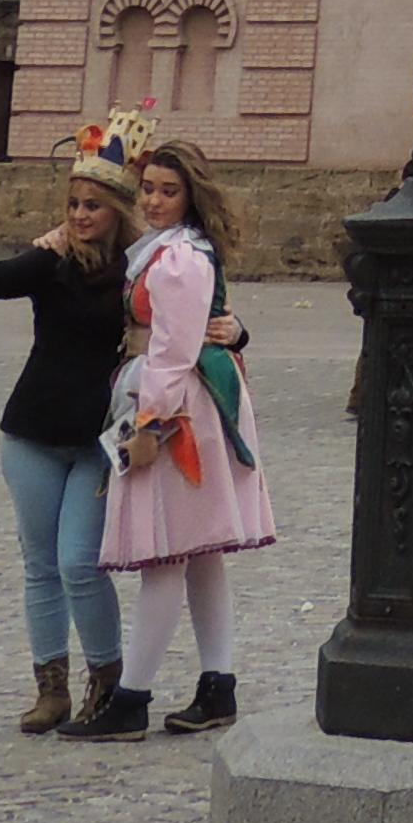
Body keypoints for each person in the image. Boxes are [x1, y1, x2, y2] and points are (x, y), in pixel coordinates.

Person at [0, 118, 140, 735]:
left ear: (119, 210)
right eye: (72, 203)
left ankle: (108, 681)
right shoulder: (50, 259)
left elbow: (190, 316)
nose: (80, 214)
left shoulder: (140, 269)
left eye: (93, 204)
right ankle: (51, 687)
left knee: (79, 563)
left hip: (98, 440)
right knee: (40, 564)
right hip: (33, 432)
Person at [86, 130, 276, 738]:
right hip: (182, 398)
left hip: (182, 408)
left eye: (169, 191)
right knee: (197, 555)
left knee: (166, 552)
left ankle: (131, 700)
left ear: (191, 196)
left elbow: (172, 349)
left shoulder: (180, 258)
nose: (156, 200)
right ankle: (218, 686)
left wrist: (150, 419)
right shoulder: (162, 249)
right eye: (148, 189)